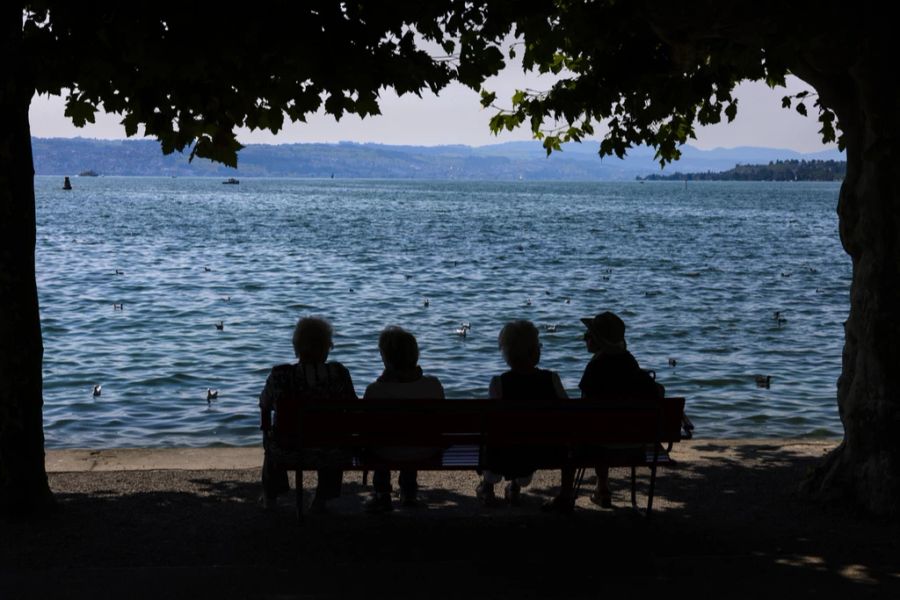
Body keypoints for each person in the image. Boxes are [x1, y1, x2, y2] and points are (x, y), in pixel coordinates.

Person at [543, 310, 663, 513]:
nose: (584, 338)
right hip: (635, 445)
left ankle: (566, 496)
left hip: (598, 446)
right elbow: (656, 392)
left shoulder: (594, 369)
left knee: (580, 433)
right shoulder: (631, 364)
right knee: (605, 427)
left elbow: (585, 415)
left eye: (588, 335)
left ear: (597, 340)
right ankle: (603, 488)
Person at [259, 316, 357, 514]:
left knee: (271, 437)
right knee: (335, 437)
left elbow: (264, 405)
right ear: (328, 346)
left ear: (296, 347)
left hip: (289, 448)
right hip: (332, 450)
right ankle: (321, 498)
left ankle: (271, 496)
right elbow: (352, 408)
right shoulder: (339, 374)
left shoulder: (280, 375)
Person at [477, 320, 568, 507]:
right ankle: (515, 488)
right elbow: (568, 414)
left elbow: (491, 422)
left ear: (508, 354)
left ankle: (487, 486)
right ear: (534, 353)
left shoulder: (498, 384)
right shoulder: (551, 380)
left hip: (503, 454)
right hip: (540, 452)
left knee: (496, 438)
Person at [363, 326, 445, 514]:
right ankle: (408, 492)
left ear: (386, 359)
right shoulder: (433, 385)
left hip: (384, 451)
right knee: (414, 433)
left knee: (381, 440)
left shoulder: (375, 390)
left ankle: (381, 493)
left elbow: (368, 429)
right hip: (426, 448)